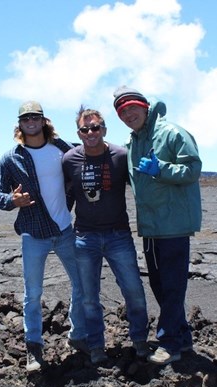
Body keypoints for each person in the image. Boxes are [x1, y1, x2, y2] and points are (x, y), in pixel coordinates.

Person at [0, 101, 89, 372]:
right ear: (19, 124)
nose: (31, 121)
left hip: (65, 231)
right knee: (32, 294)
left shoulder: (62, 150)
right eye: (25, 118)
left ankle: (78, 336)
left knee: (82, 285)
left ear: (44, 121)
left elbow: (83, 168)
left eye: (35, 117)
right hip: (34, 234)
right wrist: (13, 200)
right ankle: (33, 348)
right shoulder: (11, 158)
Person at [112, 86, 202, 365]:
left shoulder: (172, 133)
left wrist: (161, 169)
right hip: (150, 227)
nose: (128, 114)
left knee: (172, 286)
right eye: (122, 111)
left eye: (132, 108)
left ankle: (169, 343)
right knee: (161, 286)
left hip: (173, 224)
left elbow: (193, 169)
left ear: (145, 106)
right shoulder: (133, 142)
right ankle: (182, 338)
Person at [62, 107, 150, 364]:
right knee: (89, 297)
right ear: (78, 132)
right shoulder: (70, 160)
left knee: (133, 290)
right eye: (84, 129)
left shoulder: (121, 156)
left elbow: (141, 187)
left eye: (95, 127)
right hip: (85, 238)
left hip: (118, 236)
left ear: (104, 129)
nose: (90, 133)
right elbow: (65, 195)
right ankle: (96, 345)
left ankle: (140, 340)